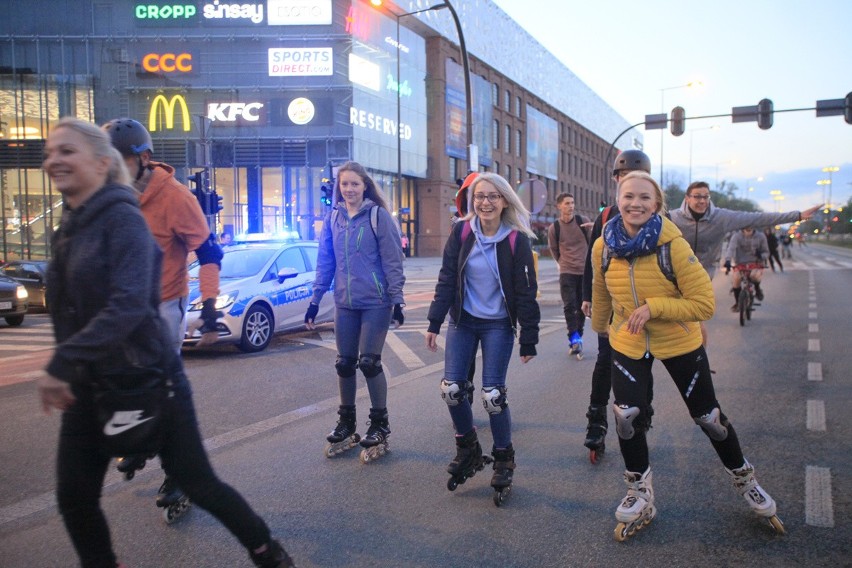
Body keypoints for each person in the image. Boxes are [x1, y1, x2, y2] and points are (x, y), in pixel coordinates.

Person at [38, 117, 295, 568]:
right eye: (49, 152)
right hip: (92, 373)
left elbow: (203, 257)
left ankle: (266, 551)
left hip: (155, 329)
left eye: (67, 151)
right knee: (74, 498)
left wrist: (211, 306)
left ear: (112, 163)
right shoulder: (71, 224)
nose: (54, 161)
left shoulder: (157, 204)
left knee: (198, 480)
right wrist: (69, 365)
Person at [590, 171, 782, 540]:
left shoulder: (672, 244)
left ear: (657, 204)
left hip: (679, 341)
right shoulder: (604, 245)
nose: (636, 203)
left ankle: (745, 479)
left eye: (645, 198)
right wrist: (602, 330)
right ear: (618, 199)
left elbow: (704, 304)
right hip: (627, 341)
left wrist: (653, 307)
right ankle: (639, 492)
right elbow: (601, 293)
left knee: (708, 417)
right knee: (627, 416)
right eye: (629, 196)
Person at [103, 117, 223, 513]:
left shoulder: (175, 197)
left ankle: (178, 474)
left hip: (163, 305)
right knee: (122, 381)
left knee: (162, 385)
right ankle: (138, 441)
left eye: (121, 160)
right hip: (124, 307)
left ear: (144, 158)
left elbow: (208, 253)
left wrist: (208, 308)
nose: (114, 168)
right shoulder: (108, 194)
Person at [426, 172, 540, 502]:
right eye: (479, 197)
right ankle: (468, 447)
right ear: (471, 200)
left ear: (504, 200)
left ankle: (504, 457)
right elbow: (447, 277)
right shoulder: (462, 231)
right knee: (451, 389)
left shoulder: (517, 240)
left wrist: (528, 339)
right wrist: (434, 322)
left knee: (492, 396)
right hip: (463, 322)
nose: (485, 202)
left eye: (492, 196)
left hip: (498, 325)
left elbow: (526, 293)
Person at [305, 161, 405, 462]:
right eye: (344, 184)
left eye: (354, 184)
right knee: (345, 364)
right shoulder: (333, 218)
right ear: (339, 187)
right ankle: (346, 422)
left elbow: (392, 260)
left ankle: (379, 424)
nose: (349, 189)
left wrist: (397, 301)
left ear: (365, 186)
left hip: (376, 302)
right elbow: (325, 261)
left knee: (369, 362)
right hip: (345, 303)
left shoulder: (377, 216)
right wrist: (315, 299)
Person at [670, 180, 820, 345]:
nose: (702, 201)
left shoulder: (721, 217)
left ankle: (700, 365)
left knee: (695, 321)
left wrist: (797, 215)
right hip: (673, 272)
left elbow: (758, 218)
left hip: (702, 274)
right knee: (666, 320)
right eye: (697, 197)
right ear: (687, 198)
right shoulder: (673, 217)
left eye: (706, 197)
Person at [579, 149, 652, 462]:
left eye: (634, 176)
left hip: (644, 308)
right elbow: (592, 261)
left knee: (642, 363)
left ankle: (642, 416)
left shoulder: (658, 216)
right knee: (604, 362)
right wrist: (587, 296)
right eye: (622, 177)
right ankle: (596, 424)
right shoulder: (606, 217)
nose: (627, 182)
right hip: (611, 306)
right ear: (615, 181)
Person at [547, 192, 591, 357]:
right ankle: (574, 339)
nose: (570, 206)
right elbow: (554, 249)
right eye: (567, 203)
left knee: (582, 306)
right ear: (559, 206)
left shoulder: (582, 222)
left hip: (584, 271)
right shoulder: (555, 228)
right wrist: (563, 263)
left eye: (572, 203)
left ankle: (578, 336)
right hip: (567, 271)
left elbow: (591, 242)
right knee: (569, 305)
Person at [724, 227, 769, 311]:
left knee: (754, 276)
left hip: (755, 263)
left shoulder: (761, 236)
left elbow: (766, 252)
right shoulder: (736, 236)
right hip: (740, 263)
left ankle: (757, 288)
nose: (749, 227)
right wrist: (727, 260)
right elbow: (731, 249)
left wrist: (761, 256)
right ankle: (738, 303)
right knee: (736, 279)